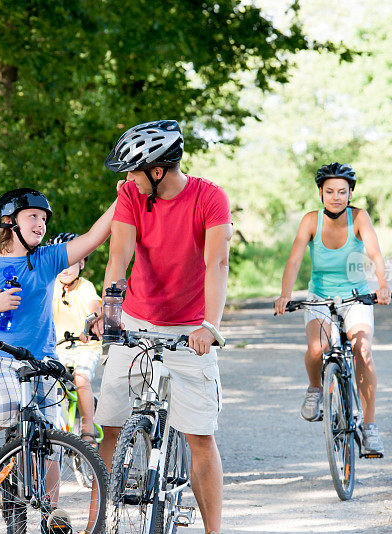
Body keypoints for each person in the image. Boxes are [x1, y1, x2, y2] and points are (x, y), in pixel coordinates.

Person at [93, 119, 232, 534]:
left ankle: (213, 531)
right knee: (113, 426)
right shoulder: (130, 195)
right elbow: (118, 257)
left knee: (200, 438)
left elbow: (217, 264)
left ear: (157, 171)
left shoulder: (210, 198)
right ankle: (95, 523)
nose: (128, 179)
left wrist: (209, 325)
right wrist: (110, 313)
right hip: (135, 318)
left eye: (134, 170)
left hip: (190, 330)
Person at [0, 188, 116, 477]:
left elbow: (94, 238)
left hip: (41, 358)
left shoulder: (47, 259)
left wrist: (124, 197)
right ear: (8, 221)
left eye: (44, 218)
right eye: (33, 216)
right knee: (5, 407)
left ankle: (51, 515)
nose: (41, 223)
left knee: (50, 441)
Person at [273, 162, 392, 455]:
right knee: (317, 349)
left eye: (342, 191)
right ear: (320, 193)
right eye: (329, 191)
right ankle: (315, 388)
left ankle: (370, 427)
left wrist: (383, 284)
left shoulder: (359, 218)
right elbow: (295, 259)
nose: (336, 197)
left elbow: (375, 253)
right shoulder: (311, 221)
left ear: (350, 194)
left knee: (362, 351)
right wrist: (285, 294)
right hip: (320, 297)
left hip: (356, 296)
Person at [49, 232, 103, 446]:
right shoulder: (50, 286)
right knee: (43, 379)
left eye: (70, 262)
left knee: (81, 377)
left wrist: (90, 324)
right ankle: (52, 426)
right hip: (58, 348)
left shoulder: (86, 287)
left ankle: (87, 428)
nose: (65, 267)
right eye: (60, 261)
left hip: (85, 347)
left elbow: (93, 307)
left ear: (81, 262)